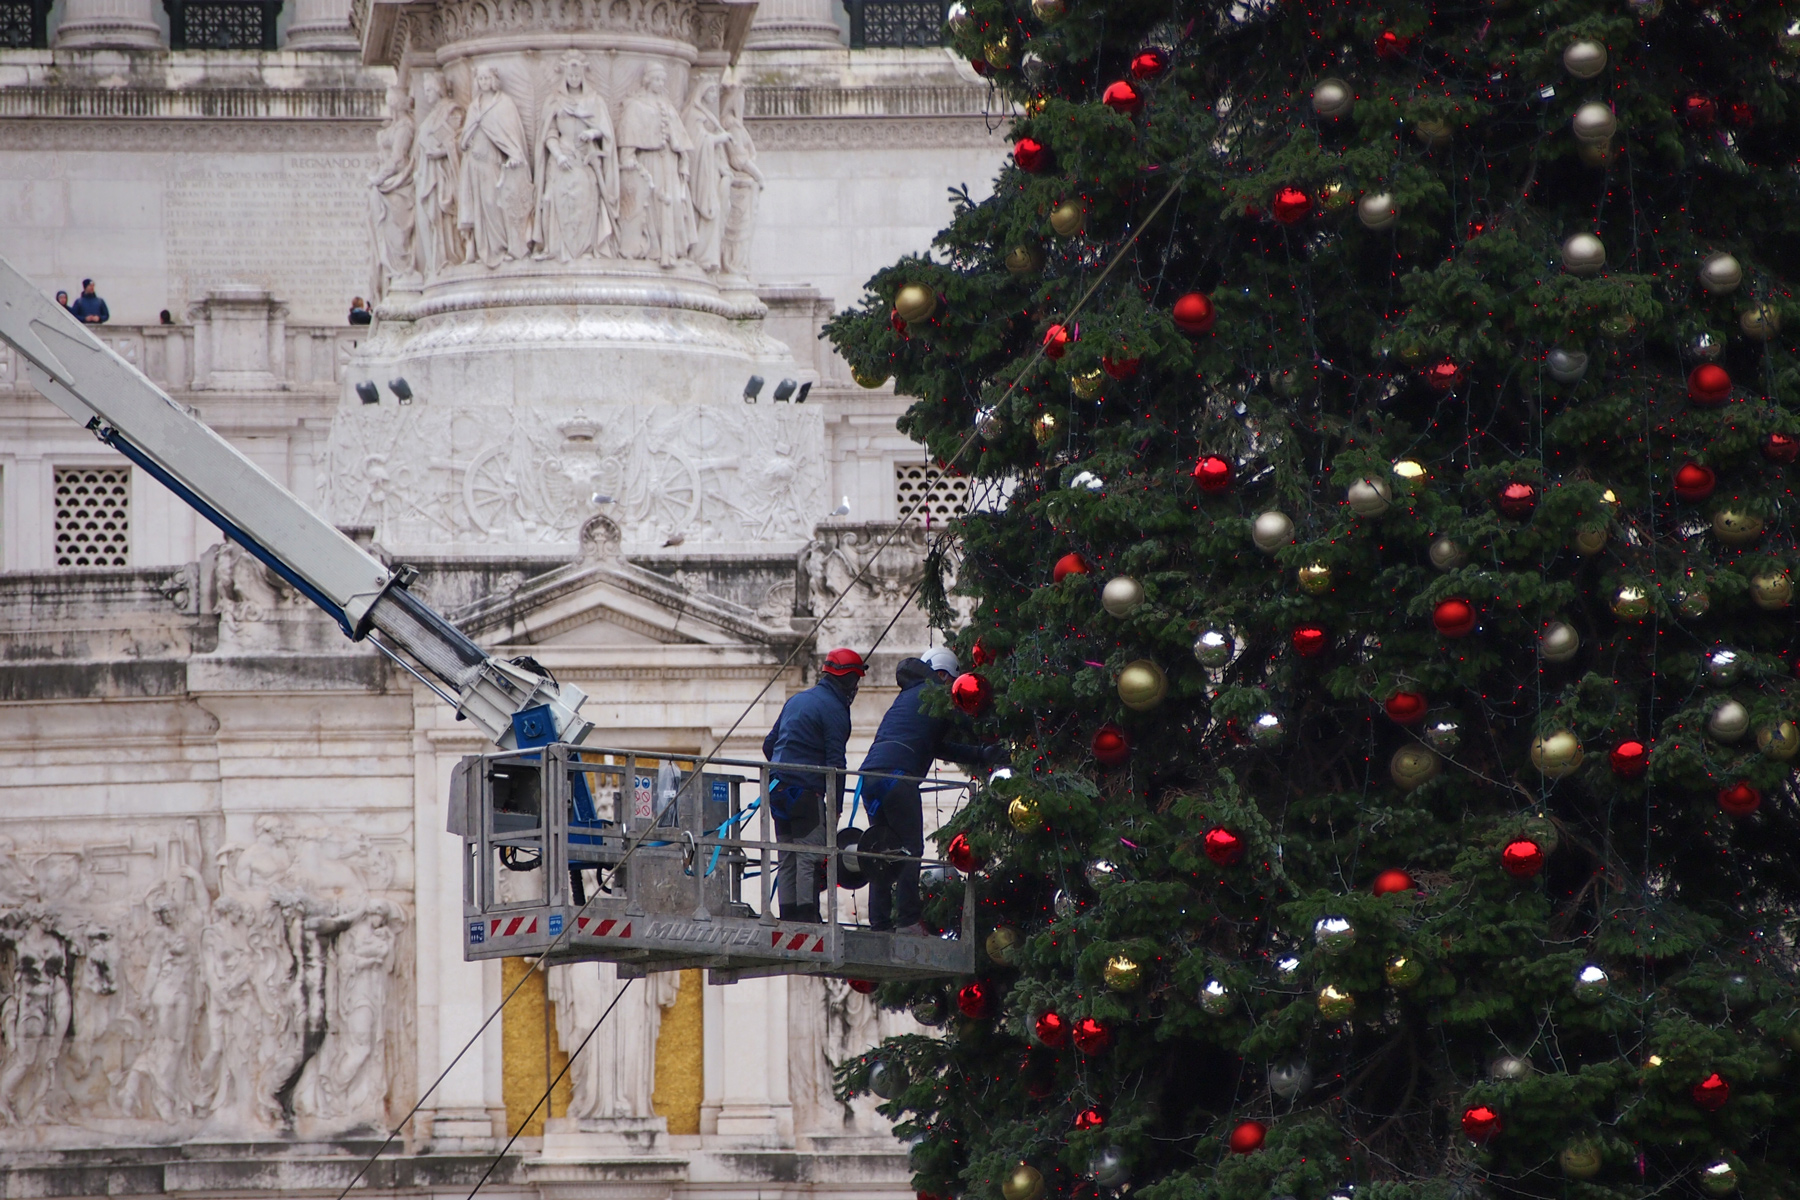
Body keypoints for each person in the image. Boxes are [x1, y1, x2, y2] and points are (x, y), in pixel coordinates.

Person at [858, 648, 1001, 934]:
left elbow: (938, 746)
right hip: (899, 778)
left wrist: (981, 755)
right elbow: (969, 721)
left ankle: (879, 923)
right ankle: (909, 921)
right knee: (910, 850)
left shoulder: (908, 698)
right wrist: (994, 726)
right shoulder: (938, 693)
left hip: (869, 778)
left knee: (882, 850)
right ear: (943, 674)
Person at [762, 648, 865, 923]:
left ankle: (789, 915)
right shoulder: (835, 710)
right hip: (806, 795)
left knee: (787, 856)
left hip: (778, 791)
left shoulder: (796, 700)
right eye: (856, 681)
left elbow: (768, 745)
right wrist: (835, 807)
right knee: (809, 855)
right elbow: (835, 764)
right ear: (848, 680)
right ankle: (807, 917)